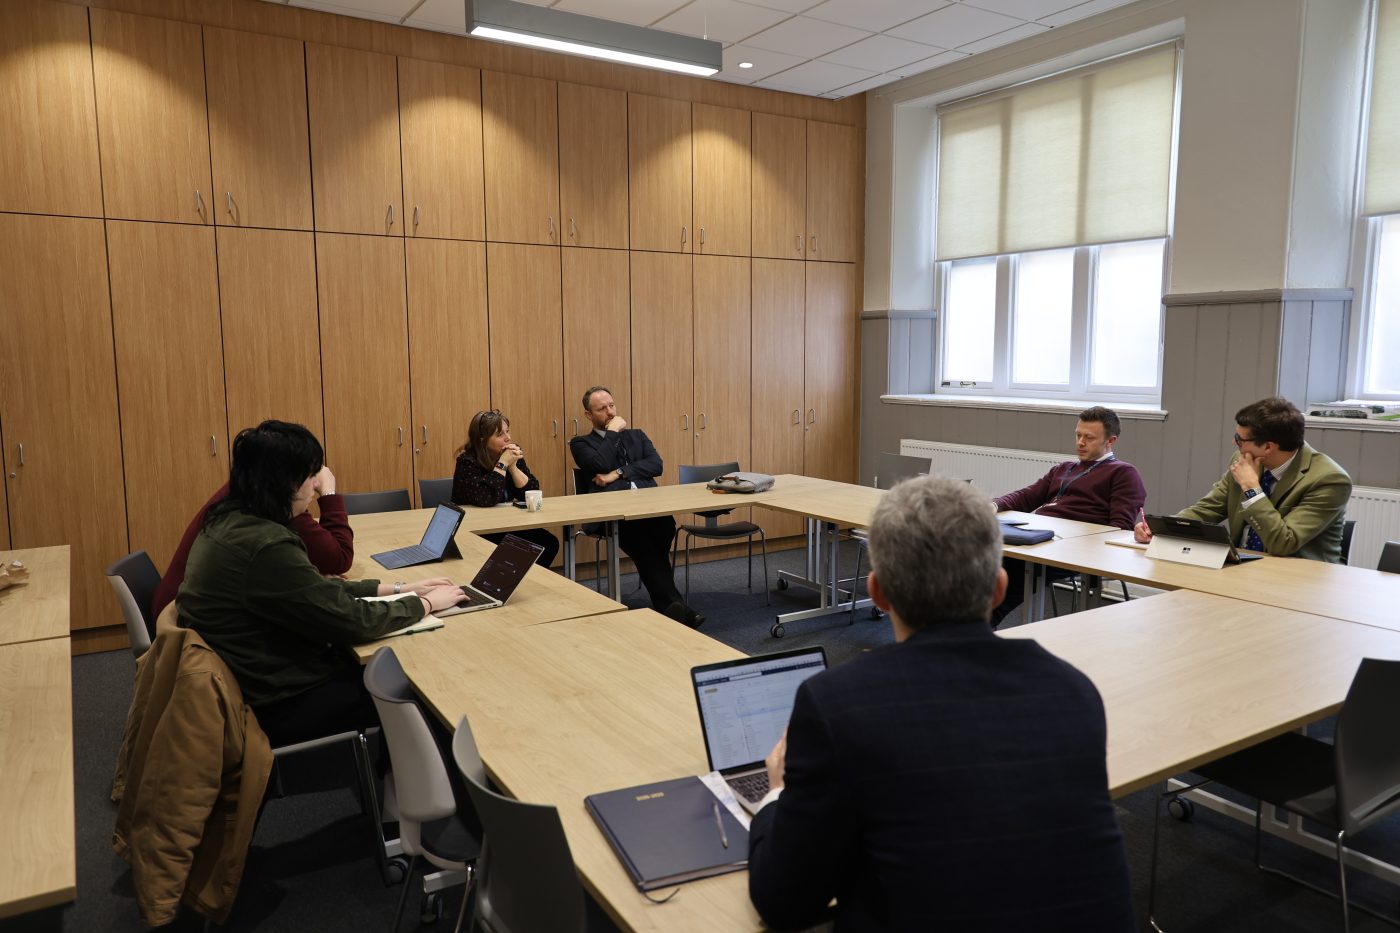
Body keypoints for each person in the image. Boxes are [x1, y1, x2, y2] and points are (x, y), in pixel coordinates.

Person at [748, 475, 1134, 932]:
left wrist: (776, 793)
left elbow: (785, 903)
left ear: (878, 594)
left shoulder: (839, 703)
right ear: (999, 588)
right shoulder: (1073, 691)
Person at [176, 420, 467, 747]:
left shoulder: (229, 521)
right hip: (280, 700)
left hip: (256, 678)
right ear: (284, 482)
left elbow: (312, 589)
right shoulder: (266, 546)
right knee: (420, 693)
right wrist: (426, 604)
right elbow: (351, 620)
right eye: (311, 474)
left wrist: (399, 589)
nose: (316, 485)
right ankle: (403, 790)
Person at [1134, 396, 1352, 562]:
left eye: (1240, 440)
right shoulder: (1244, 460)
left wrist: (1251, 488)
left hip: (1301, 579)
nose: (1234, 443)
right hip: (1244, 565)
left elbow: (1283, 543)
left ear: (1268, 447)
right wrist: (1162, 528)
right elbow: (1208, 508)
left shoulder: (1329, 480)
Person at [991, 406, 1146, 626]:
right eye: (1078, 435)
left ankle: (978, 626)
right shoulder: (1064, 468)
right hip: (1043, 540)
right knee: (984, 558)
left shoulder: (1123, 473)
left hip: (1077, 550)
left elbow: (1120, 528)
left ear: (1110, 441)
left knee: (1006, 573)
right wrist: (994, 505)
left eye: (1089, 438)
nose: (1080, 442)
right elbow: (1026, 496)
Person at [568, 386, 703, 628]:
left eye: (612, 405)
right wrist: (611, 433)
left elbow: (656, 465)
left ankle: (671, 604)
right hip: (614, 516)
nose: (610, 412)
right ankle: (675, 607)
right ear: (589, 415)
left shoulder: (637, 435)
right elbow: (599, 462)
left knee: (662, 529)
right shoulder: (580, 443)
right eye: (602, 408)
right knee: (644, 543)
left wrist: (617, 473)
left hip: (650, 509)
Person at [151, 464, 352, 621]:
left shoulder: (243, 493)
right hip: (189, 635)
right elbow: (338, 558)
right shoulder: (275, 505)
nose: (313, 482)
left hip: (181, 612)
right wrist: (328, 493)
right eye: (308, 475)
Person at [451, 409, 560, 566]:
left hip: (503, 524)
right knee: (507, 552)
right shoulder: (467, 462)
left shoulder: (510, 456)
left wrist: (513, 466)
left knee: (548, 544)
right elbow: (485, 498)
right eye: (500, 435)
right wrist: (502, 464)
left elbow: (531, 493)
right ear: (483, 440)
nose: (508, 438)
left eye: (507, 432)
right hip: (476, 530)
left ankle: (525, 583)